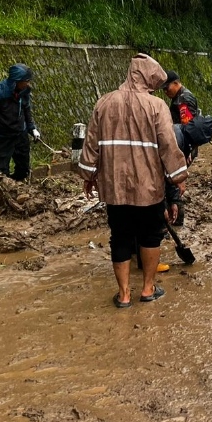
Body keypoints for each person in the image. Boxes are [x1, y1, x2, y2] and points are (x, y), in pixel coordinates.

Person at [78, 54, 188, 308]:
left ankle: (124, 294)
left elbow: (91, 145)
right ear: (148, 78)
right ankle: (148, 289)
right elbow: (168, 147)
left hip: (114, 186)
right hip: (148, 187)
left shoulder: (104, 103)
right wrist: (178, 178)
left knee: (120, 236)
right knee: (151, 236)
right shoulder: (156, 106)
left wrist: (89, 175)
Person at [160, 69, 198, 234]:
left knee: (174, 183)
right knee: (170, 182)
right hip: (177, 146)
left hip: (181, 148)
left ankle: (177, 219)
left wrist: (182, 156)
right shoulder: (178, 97)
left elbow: (188, 128)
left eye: (167, 88)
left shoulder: (184, 99)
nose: (165, 92)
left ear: (176, 83)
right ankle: (173, 219)